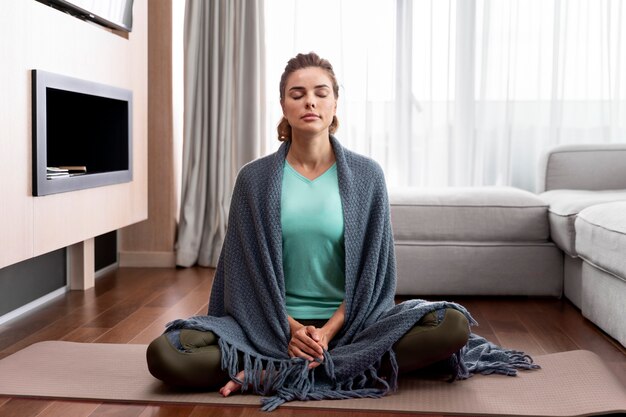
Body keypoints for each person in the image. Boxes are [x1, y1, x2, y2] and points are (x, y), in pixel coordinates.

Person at [146, 52, 537, 411]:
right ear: (283, 105)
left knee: (450, 325)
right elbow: (242, 280)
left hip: (353, 328)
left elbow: (374, 277)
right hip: (269, 326)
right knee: (167, 353)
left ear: (335, 103)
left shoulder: (367, 177)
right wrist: (295, 331)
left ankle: (275, 375)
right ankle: (336, 369)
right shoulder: (254, 179)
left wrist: (327, 333)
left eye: (320, 93)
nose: (309, 102)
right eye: (297, 94)